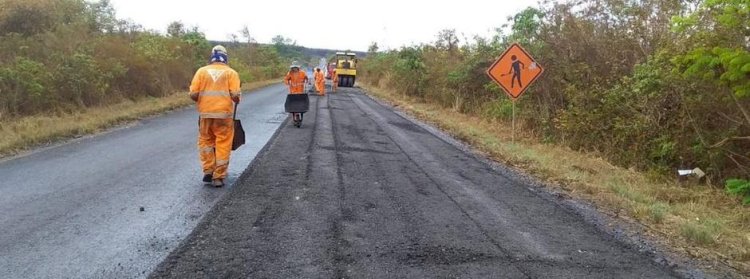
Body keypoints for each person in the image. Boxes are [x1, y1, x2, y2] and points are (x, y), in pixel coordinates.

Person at [189, 45, 241, 187]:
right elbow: (235, 95)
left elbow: (193, 94)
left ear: (211, 56)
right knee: (223, 143)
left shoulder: (201, 71)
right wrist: (236, 99)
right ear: (225, 57)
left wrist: (203, 101)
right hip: (224, 116)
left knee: (205, 142)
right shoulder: (231, 73)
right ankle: (218, 176)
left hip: (205, 115)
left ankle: (208, 170)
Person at [284, 62, 309, 126]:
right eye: (293, 68)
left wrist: (307, 82)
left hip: (300, 91)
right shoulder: (290, 73)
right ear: (292, 68)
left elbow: (306, 78)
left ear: (298, 67)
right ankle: (295, 117)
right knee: (294, 105)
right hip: (293, 92)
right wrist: (287, 83)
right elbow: (286, 79)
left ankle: (300, 115)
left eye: (295, 67)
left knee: (300, 105)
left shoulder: (302, 73)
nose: (294, 69)